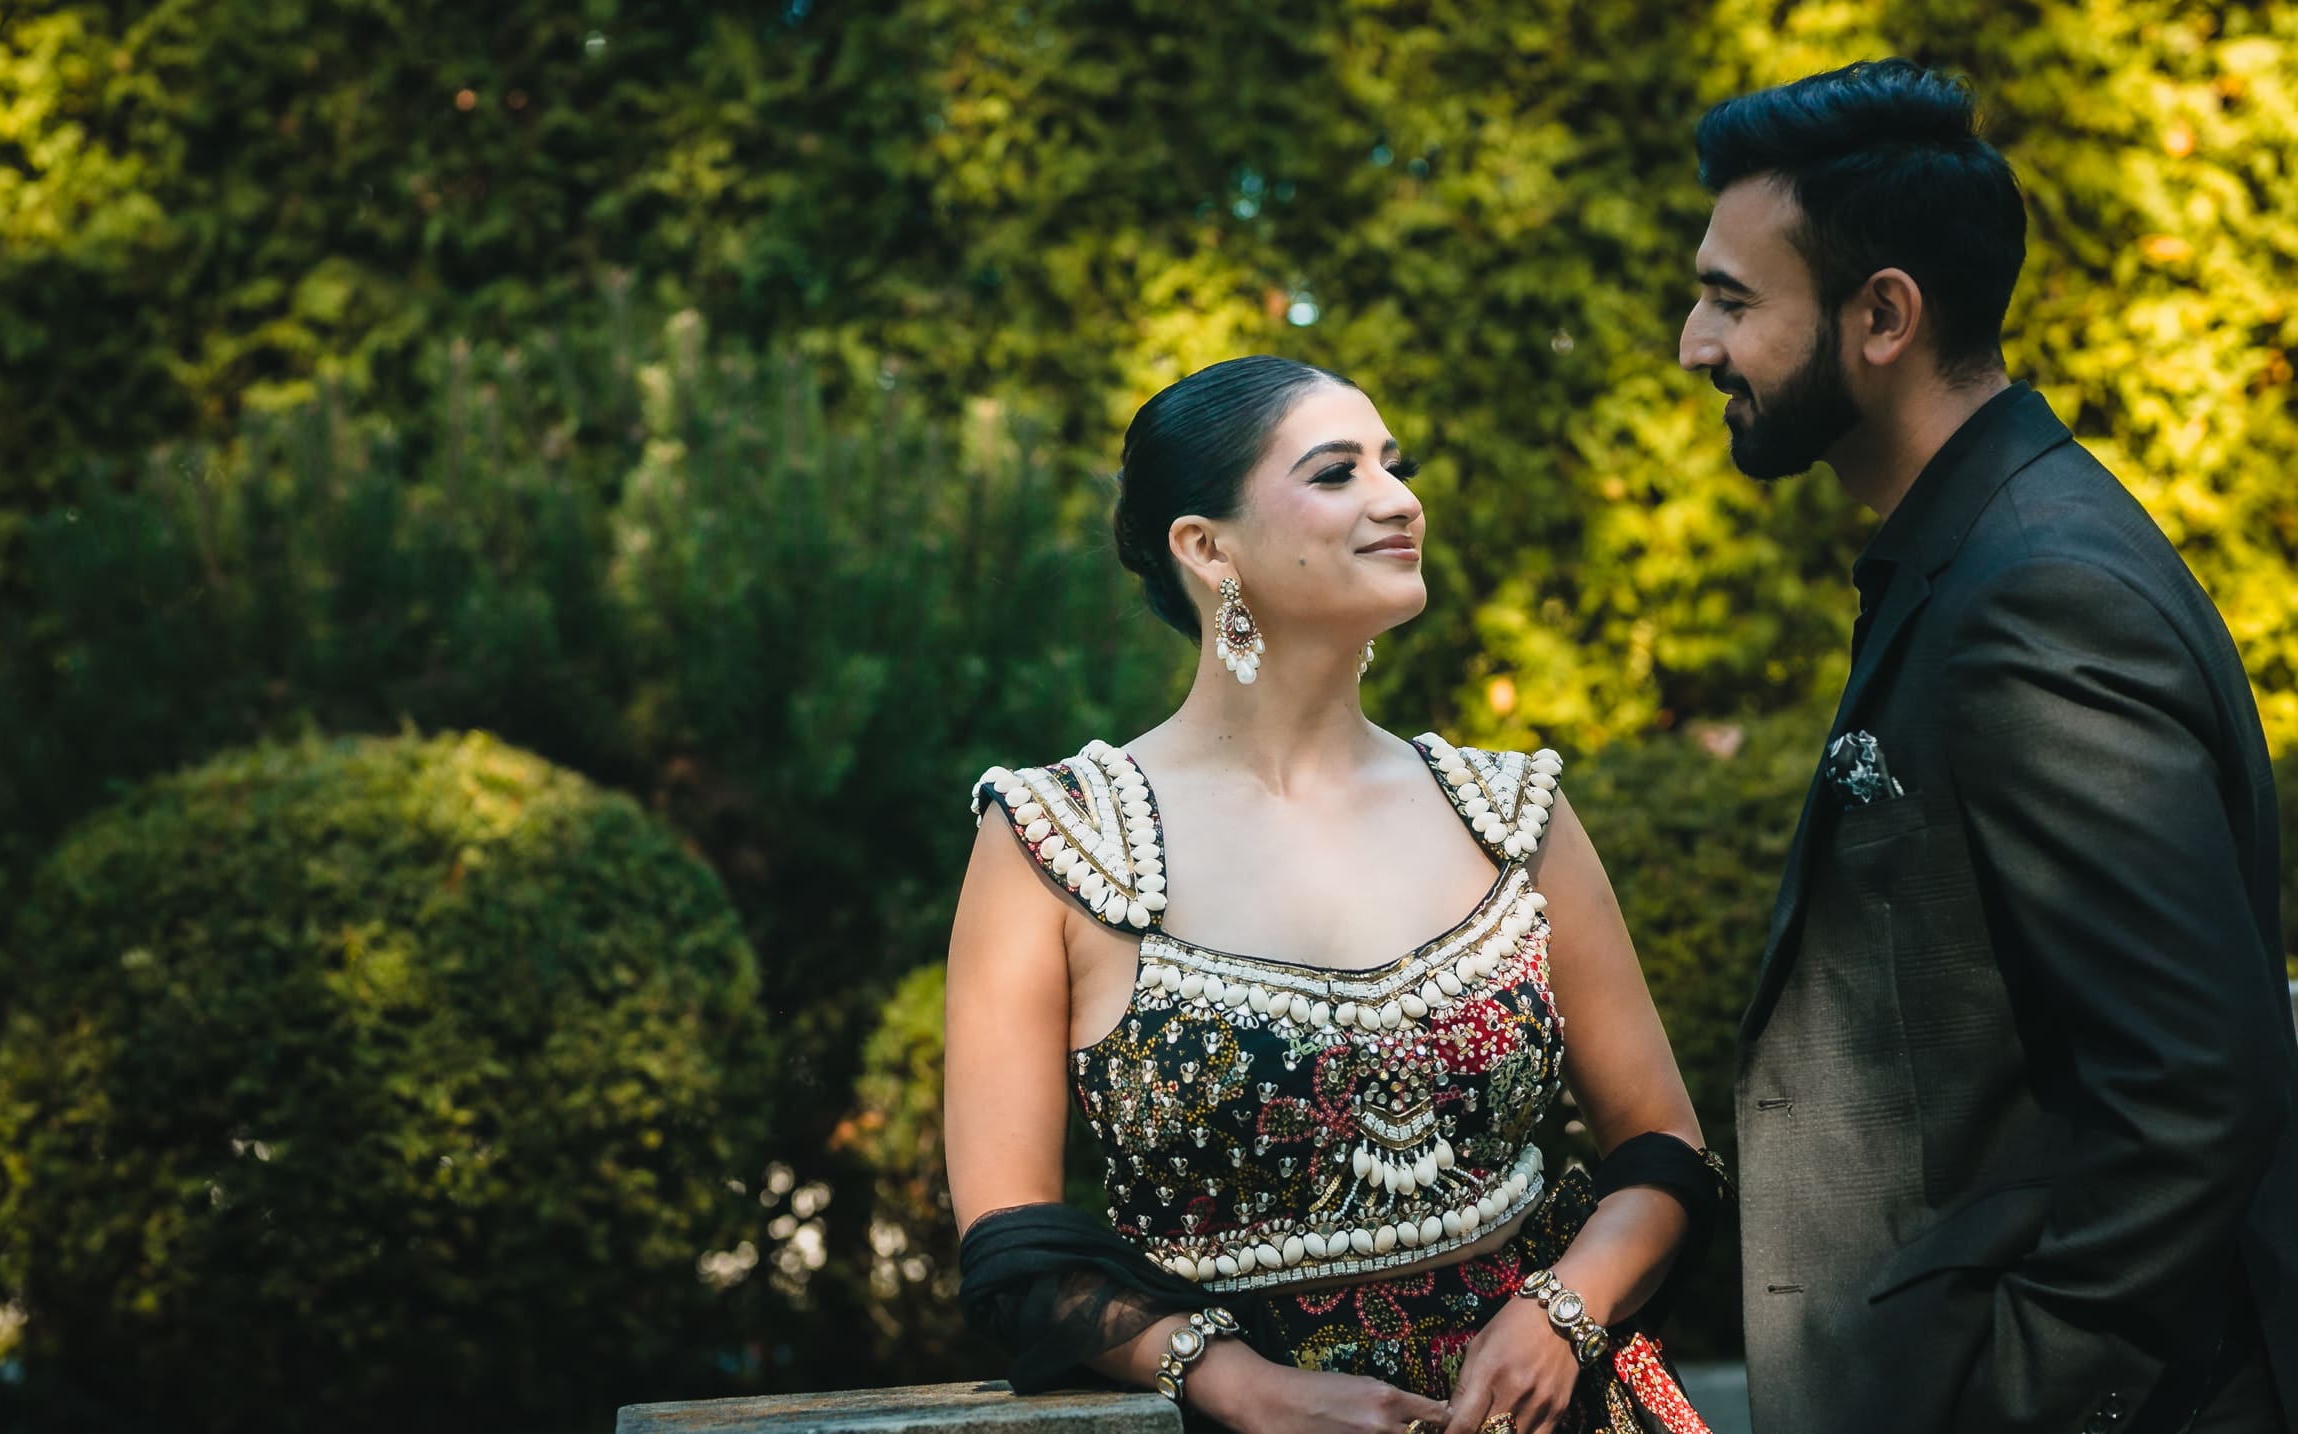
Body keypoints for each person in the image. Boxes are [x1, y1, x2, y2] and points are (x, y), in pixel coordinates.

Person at [1680, 59, 2298, 1434]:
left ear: (1881, 314)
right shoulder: (1974, 552)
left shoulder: (2035, 591)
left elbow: (2199, 1084)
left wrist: (2021, 1397)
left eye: (1729, 299)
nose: (1692, 343)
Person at [944, 355, 1725, 1434]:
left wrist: (1563, 1311)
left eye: (1392, 466)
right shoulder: (1054, 838)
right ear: (1205, 549)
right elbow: (1015, 1247)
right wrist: (1238, 1385)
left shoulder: (1510, 814)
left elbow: (1663, 1150)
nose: (1398, 499)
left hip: (1558, 1411)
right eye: (1335, 473)